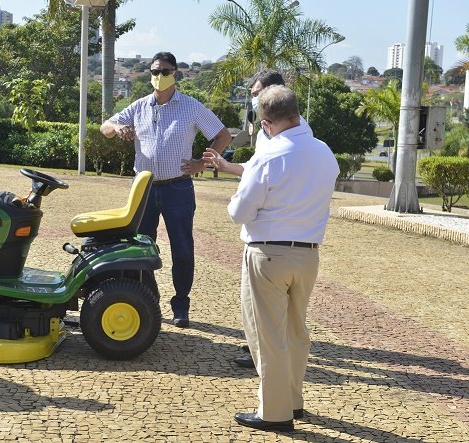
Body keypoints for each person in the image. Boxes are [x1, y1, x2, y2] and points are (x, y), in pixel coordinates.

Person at [224, 85, 338, 432]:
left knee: (267, 333)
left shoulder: (269, 156)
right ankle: (293, 399)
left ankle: (275, 412)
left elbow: (239, 212)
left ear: (267, 122)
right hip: (308, 253)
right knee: (295, 330)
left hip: (268, 253)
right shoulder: (324, 152)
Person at [100, 51, 231, 328]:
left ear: (176, 74)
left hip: (178, 188)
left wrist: (202, 163)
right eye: (155, 71)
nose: (159, 77)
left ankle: (181, 304)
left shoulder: (191, 107)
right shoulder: (139, 107)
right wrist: (118, 126)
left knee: (182, 249)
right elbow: (105, 127)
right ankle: (149, 298)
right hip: (144, 189)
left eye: (165, 71)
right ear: (150, 74)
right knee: (142, 248)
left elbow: (223, 135)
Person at [204, 69, 313, 369]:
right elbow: (258, 170)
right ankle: (265, 361)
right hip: (301, 243)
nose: (251, 99)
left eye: (255, 94)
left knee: (267, 313)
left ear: (272, 95)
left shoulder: (277, 137)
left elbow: (246, 201)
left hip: (270, 240)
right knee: (282, 319)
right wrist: (228, 166)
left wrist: (242, 203)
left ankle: (268, 374)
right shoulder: (296, 138)